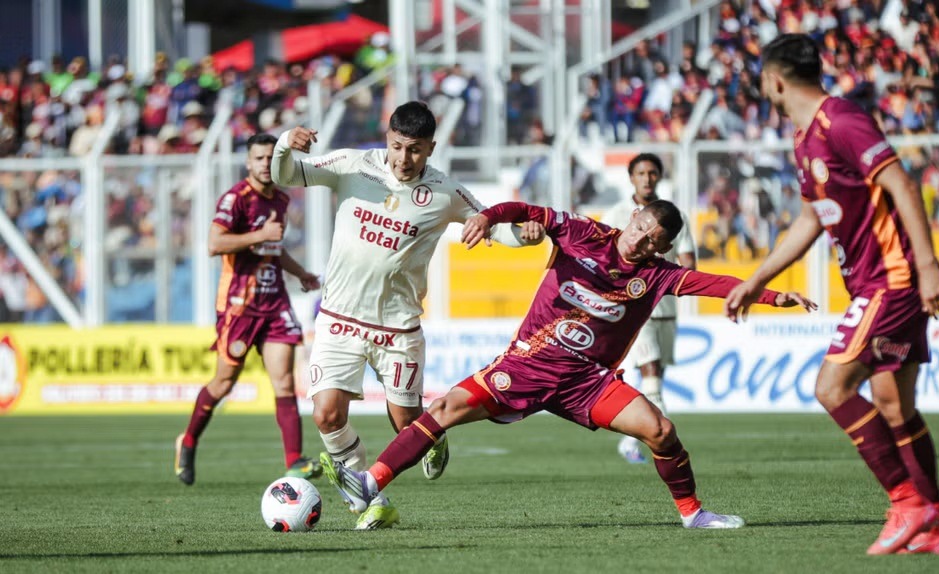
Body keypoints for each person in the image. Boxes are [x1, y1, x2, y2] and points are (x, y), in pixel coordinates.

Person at [330, 199, 815, 528]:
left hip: (588, 384)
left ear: (662, 248)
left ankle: (693, 514)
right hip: (527, 366)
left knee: (661, 431)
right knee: (447, 408)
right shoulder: (582, 231)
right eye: (641, 228)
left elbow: (716, 283)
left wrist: (774, 296)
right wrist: (489, 218)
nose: (641, 241)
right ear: (633, 218)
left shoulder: (660, 275)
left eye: (653, 240)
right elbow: (527, 210)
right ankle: (369, 483)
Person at [723, 34, 939, 555]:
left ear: (775, 80)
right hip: (880, 280)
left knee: (832, 388)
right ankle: (935, 526)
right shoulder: (805, 139)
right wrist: (758, 279)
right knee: (895, 407)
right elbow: (810, 217)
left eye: (763, 80)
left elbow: (902, 184)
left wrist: (927, 265)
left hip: (892, 279)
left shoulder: (842, 121)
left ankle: (908, 503)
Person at [270, 101, 541, 530]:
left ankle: (434, 436)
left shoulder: (445, 192)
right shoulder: (352, 165)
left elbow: (491, 226)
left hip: (398, 328)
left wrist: (524, 236)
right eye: (397, 146)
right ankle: (371, 501)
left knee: (406, 423)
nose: (403, 158)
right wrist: (287, 143)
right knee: (326, 414)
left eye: (414, 149)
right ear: (387, 138)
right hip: (339, 319)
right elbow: (283, 174)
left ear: (431, 148)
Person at [175, 133, 323, 486]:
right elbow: (214, 244)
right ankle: (189, 440)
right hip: (240, 305)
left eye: (270, 158)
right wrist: (258, 235)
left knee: (285, 381)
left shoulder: (282, 201)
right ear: (248, 162)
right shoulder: (236, 199)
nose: (264, 164)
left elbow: (274, 248)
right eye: (258, 158)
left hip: (274, 304)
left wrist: (300, 273)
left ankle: (294, 461)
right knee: (224, 381)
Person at [600, 153, 696, 464]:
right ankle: (663, 440)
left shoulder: (675, 217)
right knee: (650, 369)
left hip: (666, 306)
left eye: (652, 172)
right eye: (641, 172)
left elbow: (688, 259)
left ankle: (631, 439)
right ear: (631, 178)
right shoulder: (616, 213)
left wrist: (688, 279)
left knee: (657, 376)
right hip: (633, 308)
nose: (647, 178)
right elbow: (605, 258)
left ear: (659, 177)